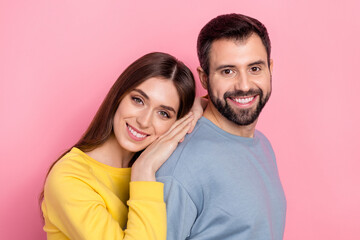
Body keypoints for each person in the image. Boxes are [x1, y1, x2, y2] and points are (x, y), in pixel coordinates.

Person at [40, 52, 202, 240]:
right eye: (138, 100)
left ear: (176, 123)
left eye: (163, 113)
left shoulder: (164, 166)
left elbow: (219, 100)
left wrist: (196, 108)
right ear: (119, 96)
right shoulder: (69, 178)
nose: (144, 121)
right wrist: (144, 170)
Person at [156, 14, 287, 239]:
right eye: (228, 71)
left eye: (255, 68)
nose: (244, 85)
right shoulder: (181, 166)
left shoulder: (262, 143)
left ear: (270, 68)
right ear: (204, 78)